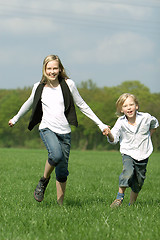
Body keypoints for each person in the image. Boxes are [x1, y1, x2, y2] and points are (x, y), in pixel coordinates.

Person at [9, 54, 108, 205]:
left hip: (65, 132)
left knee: (62, 172)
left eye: (55, 68)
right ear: (44, 69)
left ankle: (60, 206)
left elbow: (82, 105)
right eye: (49, 68)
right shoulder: (39, 87)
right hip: (47, 128)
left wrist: (100, 124)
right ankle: (43, 180)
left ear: (60, 69)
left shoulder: (69, 85)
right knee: (55, 155)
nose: (52, 71)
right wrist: (15, 118)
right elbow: (28, 103)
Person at [103, 93, 159, 208]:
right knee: (127, 173)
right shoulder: (120, 122)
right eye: (125, 106)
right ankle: (119, 198)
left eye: (131, 105)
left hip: (143, 154)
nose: (128, 108)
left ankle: (131, 205)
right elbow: (114, 139)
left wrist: (149, 135)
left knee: (138, 181)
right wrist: (109, 134)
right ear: (121, 110)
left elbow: (155, 124)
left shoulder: (146, 117)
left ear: (136, 106)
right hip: (128, 152)